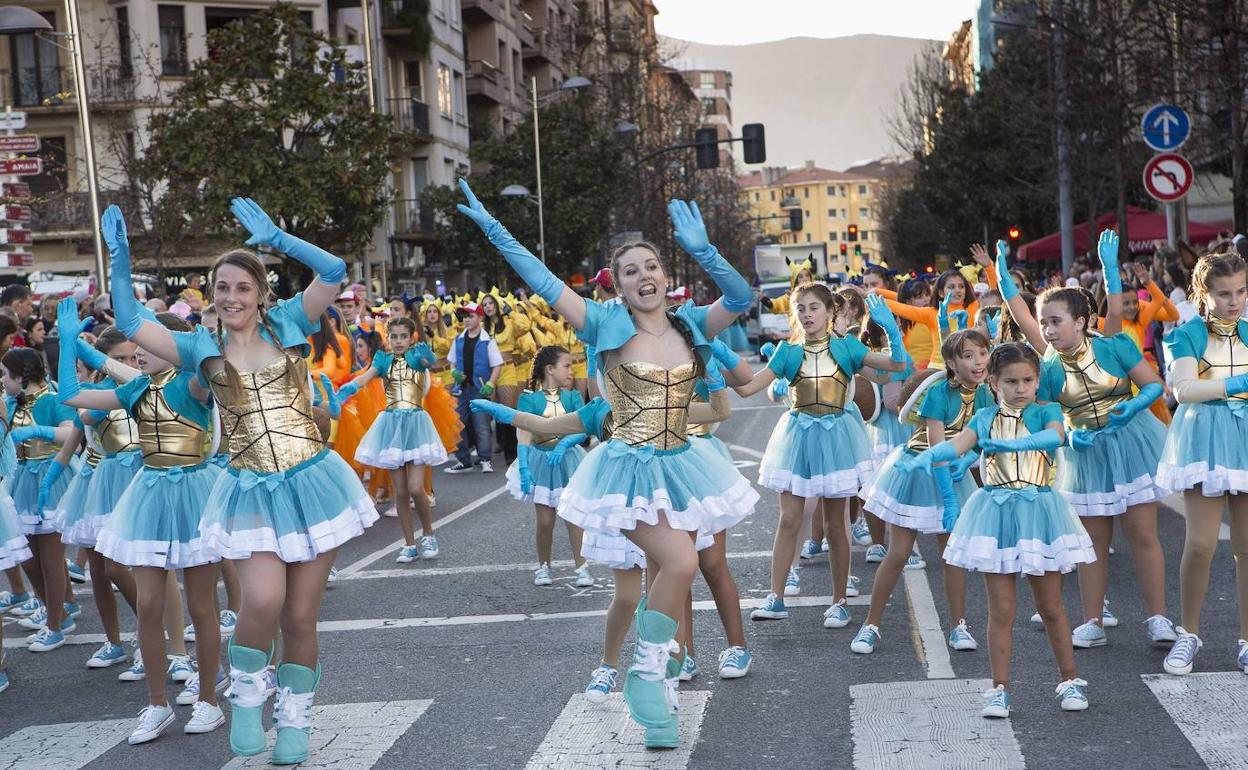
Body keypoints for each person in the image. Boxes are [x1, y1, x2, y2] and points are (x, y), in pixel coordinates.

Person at [458, 181, 757, 748]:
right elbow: (543, 282)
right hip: (628, 468)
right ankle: (646, 672)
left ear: (666, 276)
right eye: (629, 271)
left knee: (669, 575)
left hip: (682, 461)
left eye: (652, 266)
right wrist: (497, 231)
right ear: (615, 284)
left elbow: (740, 298)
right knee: (681, 562)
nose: (644, 276)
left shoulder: (691, 324)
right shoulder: (601, 324)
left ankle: (659, 700)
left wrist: (706, 250)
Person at [104, 199, 378, 764]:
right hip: (249, 488)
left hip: (311, 480)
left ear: (260, 294)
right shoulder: (198, 347)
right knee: (263, 600)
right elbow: (130, 321)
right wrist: (120, 261)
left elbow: (333, 272)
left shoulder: (290, 324)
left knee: (301, 615)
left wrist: (279, 236)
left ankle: (295, 719)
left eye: (242, 288)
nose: (231, 297)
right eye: (221, 288)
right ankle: (249, 697)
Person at [57, 302, 226, 743]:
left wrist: (204, 332)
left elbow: (212, 367)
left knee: (202, 605)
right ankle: (156, 704)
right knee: (149, 606)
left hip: (194, 490)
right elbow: (70, 396)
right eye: (136, 346)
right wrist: (67, 340)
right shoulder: (136, 390)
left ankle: (209, 697)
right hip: (149, 493)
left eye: (148, 344)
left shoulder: (193, 384)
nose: (139, 351)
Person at [997, 234, 1174, 651]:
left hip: (1132, 444)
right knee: (1092, 543)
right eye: (1044, 323)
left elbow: (1153, 385)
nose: (1046, 329)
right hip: (1084, 453)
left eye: (1055, 321)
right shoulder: (1048, 366)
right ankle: (1092, 621)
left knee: (1143, 533)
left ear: (1080, 321)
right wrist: (1000, 273)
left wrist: (1132, 409)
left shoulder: (1112, 345)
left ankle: (1159, 618)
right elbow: (1020, 315)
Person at [907, 342, 1095, 719]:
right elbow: (956, 444)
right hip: (995, 513)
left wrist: (1015, 443)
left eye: (1027, 380)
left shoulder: (1047, 411)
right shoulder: (984, 417)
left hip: (1040, 511)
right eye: (1011, 381)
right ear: (992, 382)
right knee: (1002, 609)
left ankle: (1070, 678)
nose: (1021, 388)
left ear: (1037, 380)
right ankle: (999, 688)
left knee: (1051, 606)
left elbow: (1054, 437)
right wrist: (929, 456)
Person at [736, 284, 908, 628]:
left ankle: (839, 600)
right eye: (801, 308)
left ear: (830, 311)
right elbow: (747, 388)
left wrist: (891, 330)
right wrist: (718, 362)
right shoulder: (787, 351)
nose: (807, 314)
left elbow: (893, 368)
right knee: (789, 518)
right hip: (798, 436)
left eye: (814, 307)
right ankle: (776, 596)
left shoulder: (846, 347)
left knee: (835, 523)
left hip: (839, 436)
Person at [852, 329, 994, 655]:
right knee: (899, 552)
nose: (978, 361)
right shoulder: (938, 394)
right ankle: (870, 625)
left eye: (982, 353)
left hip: (953, 473)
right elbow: (936, 446)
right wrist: (948, 499)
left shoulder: (985, 394)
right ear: (952, 363)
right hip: (918, 470)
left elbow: (983, 437)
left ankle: (958, 627)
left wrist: (969, 460)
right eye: (968, 355)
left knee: (953, 557)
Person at [1156, 246, 1248, 675]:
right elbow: (1184, 391)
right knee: (1201, 543)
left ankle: (1247, 641)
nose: (1235, 300)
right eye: (1225, 293)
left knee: (1247, 549)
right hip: (1204, 437)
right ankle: (1188, 633)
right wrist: (1240, 382)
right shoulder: (1186, 333)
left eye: (1242, 291)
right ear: (1203, 293)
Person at [54, 326, 143, 671]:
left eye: (132, 356)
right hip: (103, 480)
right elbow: (83, 417)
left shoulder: (144, 386)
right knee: (101, 569)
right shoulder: (99, 391)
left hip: (140, 476)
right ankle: (114, 641)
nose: (127, 363)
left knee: (132, 567)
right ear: (105, 362)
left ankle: (154, 637)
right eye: (118, 359)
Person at [336, 316, 446, 561]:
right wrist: (348, 389)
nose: (398, 341)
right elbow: (366, 376)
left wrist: (427, 352)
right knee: (401, 492)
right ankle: (409, 544)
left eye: (403, 336)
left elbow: (430, 361)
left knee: (417, 488)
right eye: (393, 336)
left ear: (411, 337)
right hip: (392, 425)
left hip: (416, 424)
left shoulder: (417, 355)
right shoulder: (383, 359)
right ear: (388, 337)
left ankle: (428, 534)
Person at [5, 346, 79, 653]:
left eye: (5, 375)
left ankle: (56, 622)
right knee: (29, 557)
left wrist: (37, 430)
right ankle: (59, 609)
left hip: (52, 477)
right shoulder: (11, 403)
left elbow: (70, 434)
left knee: (51, 560)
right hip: (23, 479)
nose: (2, 381)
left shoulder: (51, 399)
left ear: (21, 377)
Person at [506, 344, 591, 587]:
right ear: (550, 369)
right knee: (545, 521)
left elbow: (584, 427)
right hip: (541, 460)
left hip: (569, 462)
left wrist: (566, 444)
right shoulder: (528, 399)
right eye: (566, 366)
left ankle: (582, 567)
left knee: (573, 518)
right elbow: (523, 433)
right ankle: (543, 566)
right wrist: (523, 465)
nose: (571, 371)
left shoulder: (573, 396)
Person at [445, 303, 502, 474]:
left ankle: (485, 460)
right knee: (457, 424)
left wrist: (491, 383)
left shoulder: (487, 341)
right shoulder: (458, 339)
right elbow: (451, 360)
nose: (467, 320)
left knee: (482, 425)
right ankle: (464, 461)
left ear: (480, 318)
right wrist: (454, 371)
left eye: (471, 316)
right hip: (461, 389)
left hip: (479, 388)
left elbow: (497, 364)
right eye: (465, 317)